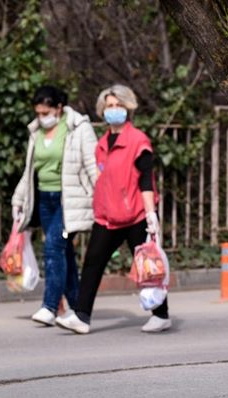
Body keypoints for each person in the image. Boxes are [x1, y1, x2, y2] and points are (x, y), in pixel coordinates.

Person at [56, 84, 171, 334]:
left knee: (147, 266)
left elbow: (145, 179)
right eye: (109, 106)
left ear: (128, 108)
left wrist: (151, 214)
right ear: (102, 110)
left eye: (118, 105)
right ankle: (82, 317)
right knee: (92, 263)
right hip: (108, 216)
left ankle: (161, 315)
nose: (114, 109)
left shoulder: (138, 140)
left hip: (136, 216)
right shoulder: (102, 144)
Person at [12, 85, 98, 326]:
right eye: (38, 113)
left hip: (67, 200)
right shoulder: (36, 131)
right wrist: (18, 200)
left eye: (45, 112)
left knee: (52, 248)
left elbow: (92, 164)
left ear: (59, 108)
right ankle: (77, 308)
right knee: (65, 254)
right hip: (44, 199)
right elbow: (31, 170)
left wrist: (100, 196)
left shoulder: (78, 128)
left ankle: (50, 307)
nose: (41, 117)